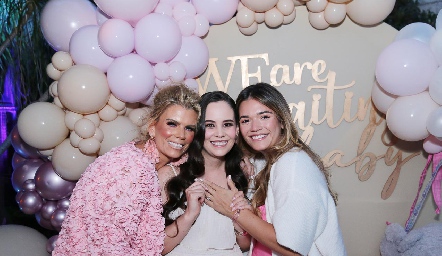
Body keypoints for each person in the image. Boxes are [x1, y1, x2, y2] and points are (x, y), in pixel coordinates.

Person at [52, 84, 201, 255]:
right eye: (172, 124)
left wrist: (189, 214)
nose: (181, 135)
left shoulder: (146, 160)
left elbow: (149, 245)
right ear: (152, 127)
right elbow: (108, 247)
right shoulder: (132, 168)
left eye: (189, 128)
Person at [202, 83, 347, 256]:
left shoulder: (293, 163)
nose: (255, 127)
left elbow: (292, 249)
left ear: (281, 120)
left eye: (264, 116)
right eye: (246, 120)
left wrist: (233, 209)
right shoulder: (265, 163)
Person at [159, 91, 252, 255]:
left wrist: (238, 216)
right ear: (198, 129)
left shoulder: (243, 173)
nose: (220, 133)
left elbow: (244, 245)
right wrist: (189, 215)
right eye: (210, 125)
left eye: (227, 124)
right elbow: (155, 248)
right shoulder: (170, 175)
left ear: (237, 129)